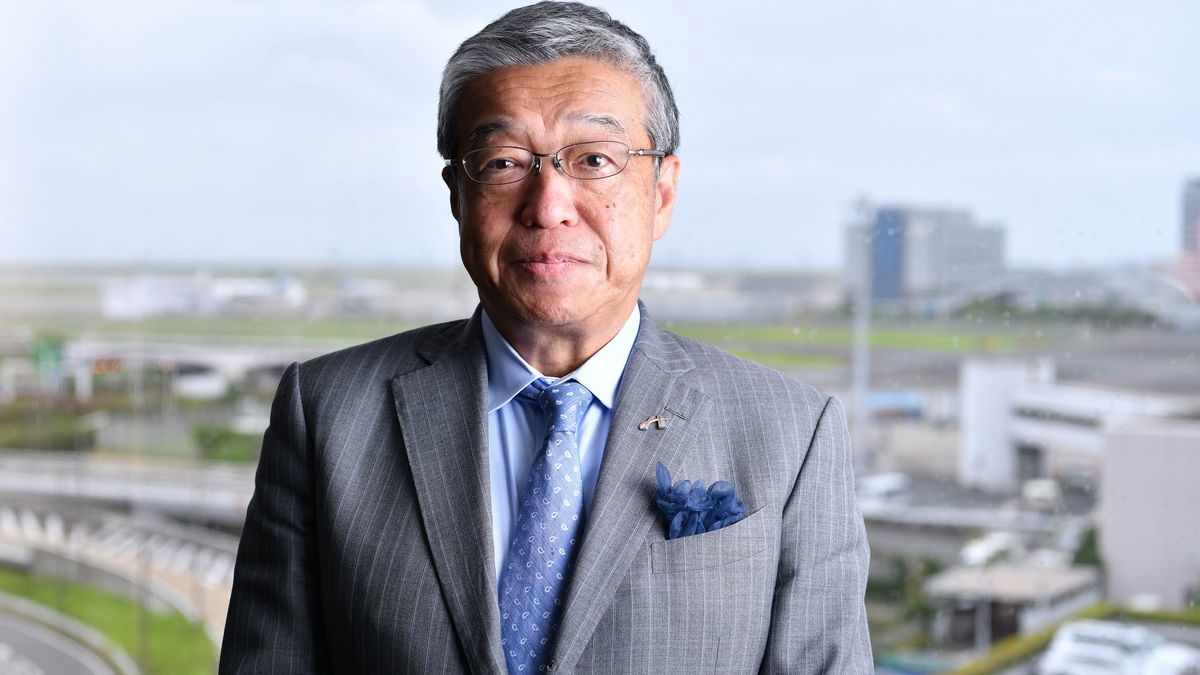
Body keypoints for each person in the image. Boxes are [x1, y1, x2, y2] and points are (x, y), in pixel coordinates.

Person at [220, 2, 872, 673]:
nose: (548, 206)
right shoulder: (328, 412)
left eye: (594, 159)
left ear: (662, 193)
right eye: (504, 162)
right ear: (457, 195)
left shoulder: (792, 432)